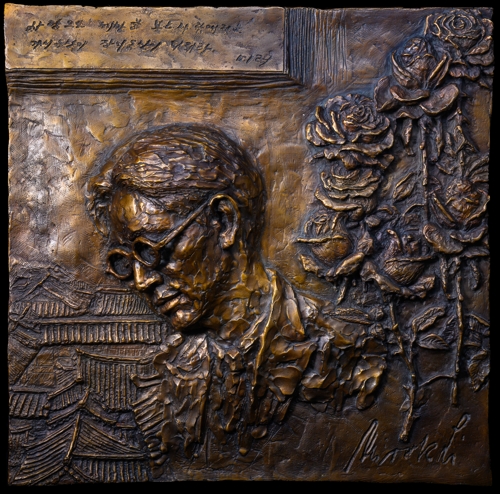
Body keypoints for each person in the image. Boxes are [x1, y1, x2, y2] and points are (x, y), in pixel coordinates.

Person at [87, 124, 385, 474]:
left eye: (150, 249)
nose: (142, 280)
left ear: (223, 221)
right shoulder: (162, 378)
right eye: (125, 260)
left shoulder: (345, 353)